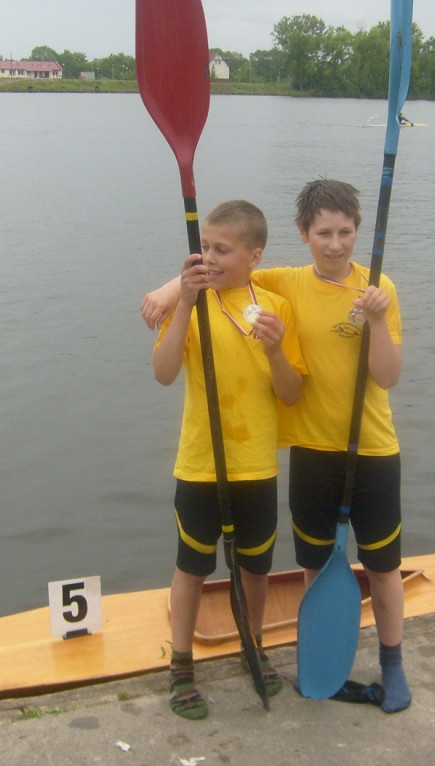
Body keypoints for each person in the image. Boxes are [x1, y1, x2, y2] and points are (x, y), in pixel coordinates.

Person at [142, 180, 411, 713]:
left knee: (341, 566)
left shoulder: (332, 295)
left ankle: (367, 659)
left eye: (345, 232)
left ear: (357, 232)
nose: (334, 244)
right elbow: (170, 360)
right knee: (211, 566)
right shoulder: (254, 290)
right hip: (245, 458)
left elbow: (332, 384)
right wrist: (177, 290)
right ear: (304, 236)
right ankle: (194, 665)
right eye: (322, 234)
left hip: (320, 456)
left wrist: (284, 347)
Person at [153, 200, 306, 720]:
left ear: (254, 255)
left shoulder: (275, 309)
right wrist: (183, 304)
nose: (210, 258)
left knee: (255, 568)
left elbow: (290, 394)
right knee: (192, 566)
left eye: (223, 249)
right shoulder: (191, 304)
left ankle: (252, 645)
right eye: (205, 248)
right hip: (199, 463)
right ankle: (180, 665)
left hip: (256, 467)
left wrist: (277, 351)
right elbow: (164, 372)